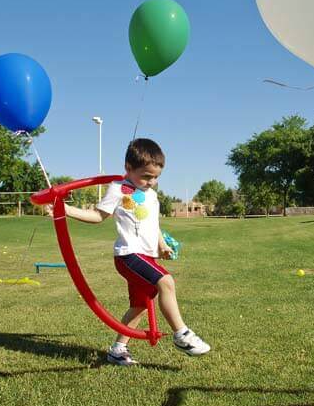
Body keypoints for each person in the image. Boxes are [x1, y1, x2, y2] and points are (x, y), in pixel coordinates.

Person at [50, 138, 210, 365]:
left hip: (146, 255)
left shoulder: (152, 195)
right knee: (166, 282)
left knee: (140, 306)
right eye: (146, 176)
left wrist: (162, 245)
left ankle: (117, 350)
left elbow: (153, 225)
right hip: (128, 255)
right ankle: (181, 334)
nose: (151, 182)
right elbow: (97, 216)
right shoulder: (117, 189)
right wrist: (65, 209)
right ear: (128, 168)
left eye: (155, 177)